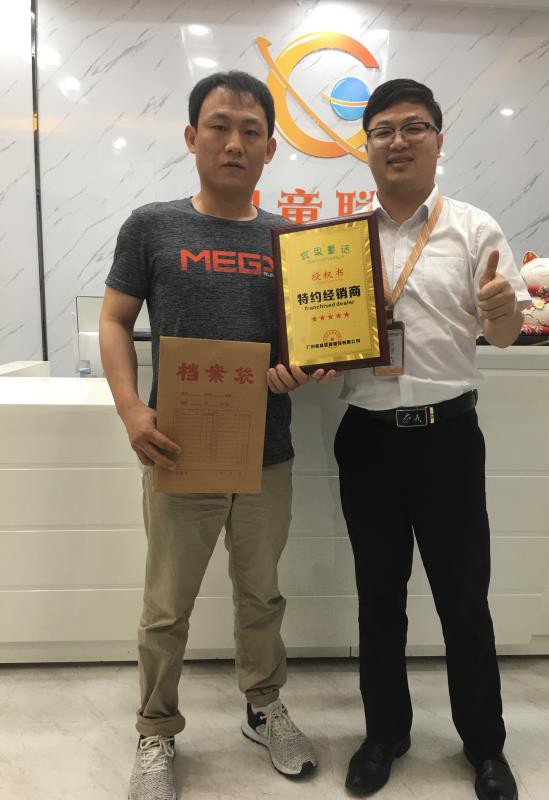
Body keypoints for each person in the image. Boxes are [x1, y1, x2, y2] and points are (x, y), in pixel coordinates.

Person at [99, 70, 333, 800]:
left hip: (268, 455)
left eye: (251, 130)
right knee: (166, 606)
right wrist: (131, 410)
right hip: (179, 450)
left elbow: (311, 342)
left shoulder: (292, 239)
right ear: (191, 136)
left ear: (270, 148)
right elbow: (114, 320)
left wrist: (302, 369)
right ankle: (155, 730)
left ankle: (263, 708)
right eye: (220, 126)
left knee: (261, 597)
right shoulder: (152, 226)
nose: (235, 142)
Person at [334, 79, 530, 800]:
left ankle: (485, 745)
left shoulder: (474, 230)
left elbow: (504, 337)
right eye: (383, 130)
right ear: (366, 147)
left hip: (448, 439)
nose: (398, 141)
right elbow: (319, 337)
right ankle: (385, 734)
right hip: (367, 441)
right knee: (378, 598)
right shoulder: (337, 241)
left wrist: (501, 309)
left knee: (463, 598)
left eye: (414, 127)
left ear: (438, 141)